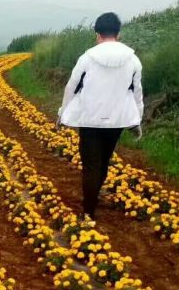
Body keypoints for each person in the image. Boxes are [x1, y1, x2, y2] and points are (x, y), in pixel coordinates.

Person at [57, 12, 144, 219]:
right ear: (118, 34)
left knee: (91, 164)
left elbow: (71, 87)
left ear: (97, 34)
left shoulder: (87, 58)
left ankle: (88, 210)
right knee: (104, 160)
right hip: (116, 120)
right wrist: (137, 120)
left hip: (89, 118)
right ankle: (93, 197)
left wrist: (62, 113)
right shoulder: (133, 60)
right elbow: (136, 92)